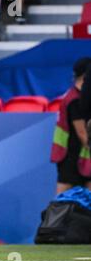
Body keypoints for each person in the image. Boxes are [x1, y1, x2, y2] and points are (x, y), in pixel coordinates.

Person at [51, 58, 91, 194]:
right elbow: (82, 134)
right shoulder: (75, 100)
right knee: (61, 203)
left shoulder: (78, 96)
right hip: (71, 158)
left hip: (82, 157)